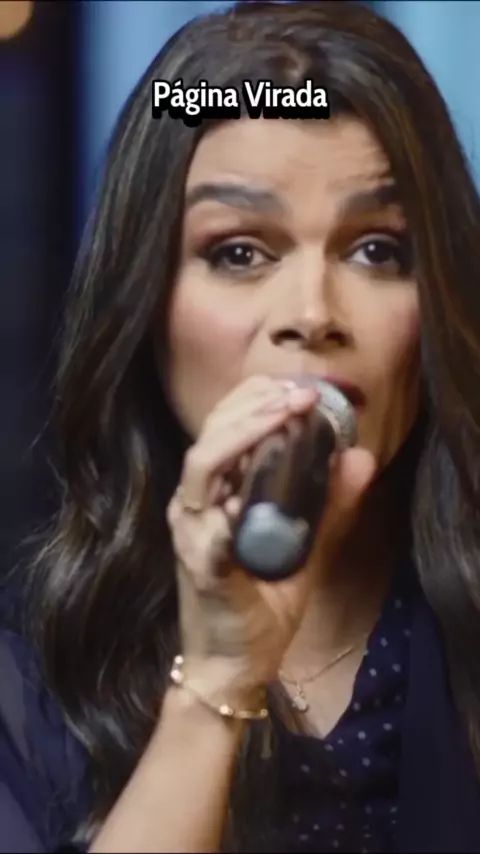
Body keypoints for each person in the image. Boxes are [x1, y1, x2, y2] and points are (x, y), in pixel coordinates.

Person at [2, 1, 480, 851]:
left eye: (376, 249)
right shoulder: (32, 676)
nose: (311, 314)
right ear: (145, 306)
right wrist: (219, 676)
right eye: (239, 252)